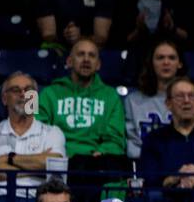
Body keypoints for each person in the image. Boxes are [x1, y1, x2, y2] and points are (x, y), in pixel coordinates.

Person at [36, 38, 127, 170]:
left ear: (98, 64)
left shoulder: (110, 96)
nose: (86, 59)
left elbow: (115, 139)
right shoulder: (49, 93)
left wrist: (100, 153)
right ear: (69, 61)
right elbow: (38, 131)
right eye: (80, 54)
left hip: (97, 164)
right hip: (59, 162)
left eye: (91, 55)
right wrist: (58, 155)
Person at [123, 38, 194, 160]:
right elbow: (132, 147)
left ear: (180, 63)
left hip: (188, 166)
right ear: (151, 63)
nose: (166, 62)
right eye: (160, 58)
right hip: (147, 167)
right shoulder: (132, 101)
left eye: (172, 58)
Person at [0, 71, 67, 196]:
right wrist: (38, 169)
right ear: (4, 99)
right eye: (16, 90)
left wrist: (9, 158)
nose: (23, 94)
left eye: (28, 89)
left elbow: (55, 166)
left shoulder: (53, 132)